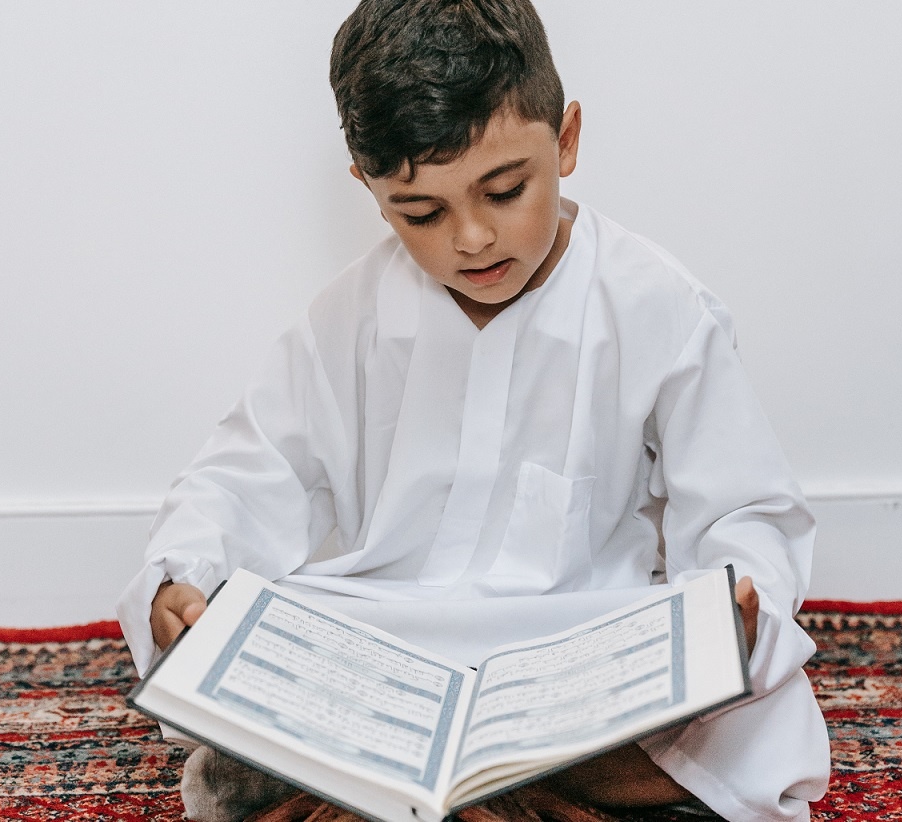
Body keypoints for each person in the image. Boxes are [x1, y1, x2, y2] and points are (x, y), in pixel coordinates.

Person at [117, 0, 831, 819]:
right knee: (252, 669)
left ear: (565, 140)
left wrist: (737, 612)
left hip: (581, 652)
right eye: (421, 213)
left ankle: (403, 785)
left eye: (504, 190)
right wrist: (185, 576)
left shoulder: (661, 307)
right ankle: (520, 786)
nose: (472, 239)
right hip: (391, 645)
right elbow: (245, 474)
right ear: (370, 190)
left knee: (767, 717)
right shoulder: (347, 317)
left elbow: (747, 510)